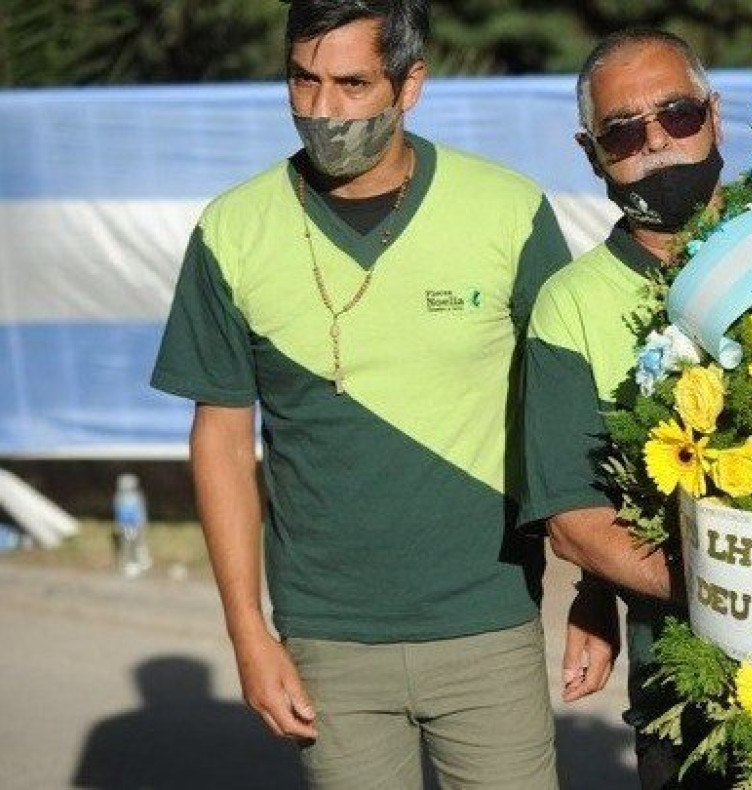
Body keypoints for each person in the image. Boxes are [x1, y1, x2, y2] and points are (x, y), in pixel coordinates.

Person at [149, 1, 570, 787]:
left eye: (351, 84)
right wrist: (248, 633)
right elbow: (222, 442)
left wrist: (596, 599)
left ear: (410, 85)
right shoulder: (231, 230)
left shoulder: (508, 211)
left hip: (490, 623)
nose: (322, 109)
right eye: (303, 81)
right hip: (326, 639)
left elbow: (565, 419)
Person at [520, 29, 727, 790]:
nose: (657, 143)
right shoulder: (568, 307)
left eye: (677, 115)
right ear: (591, 153)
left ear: (715, 115)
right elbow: (576, 524)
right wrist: (751, 598)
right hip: (687, 681)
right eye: (623, 131)